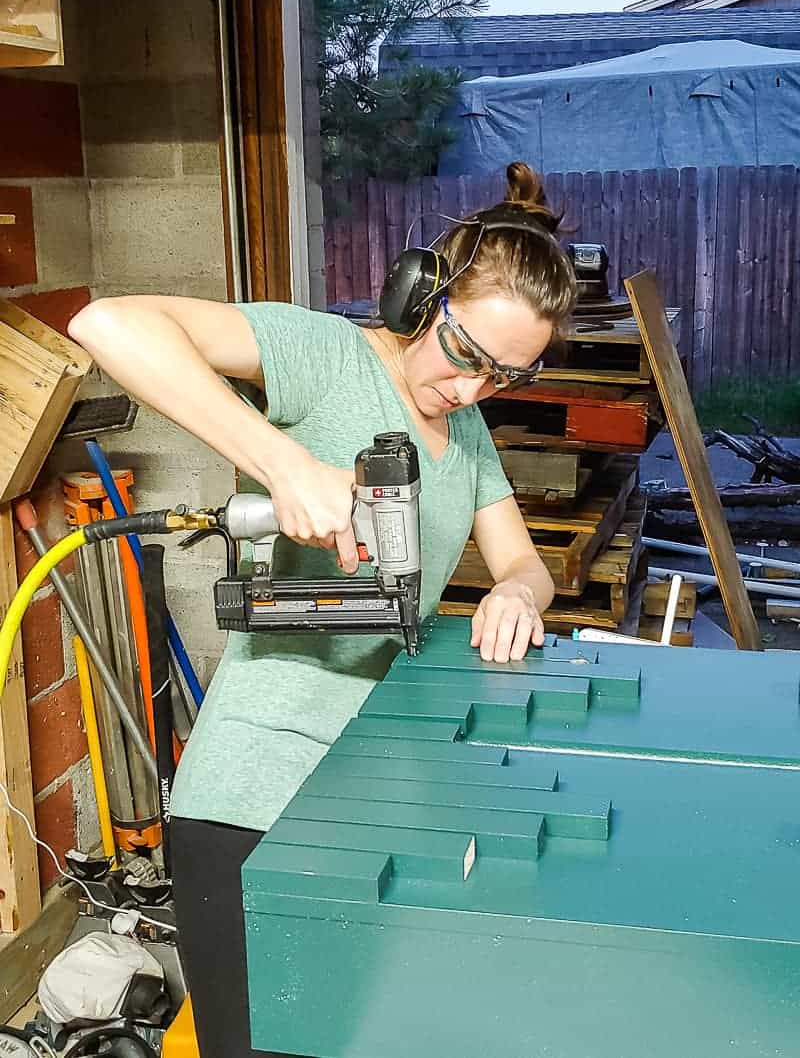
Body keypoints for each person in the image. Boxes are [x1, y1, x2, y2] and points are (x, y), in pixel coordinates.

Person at [67, 161, 577, 1057]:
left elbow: (528, 565)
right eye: (465, 354)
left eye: (504, 376)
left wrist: (513, 593)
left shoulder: (465, 431)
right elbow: (107, 323)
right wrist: (285, 464)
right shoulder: (327, 356)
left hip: (376, 793)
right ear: (424, 294)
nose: (470, 389)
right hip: (255, 799)